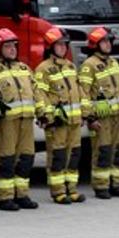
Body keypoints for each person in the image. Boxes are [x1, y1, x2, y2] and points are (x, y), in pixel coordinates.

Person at [0, 29, 41, 211]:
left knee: (26, 158)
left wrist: (43, 113)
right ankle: (4, 197)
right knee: (5, 159)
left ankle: (21, 194)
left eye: (14, 46)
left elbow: (36, 92)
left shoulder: (23, 68)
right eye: (7, 46)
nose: (12, 50)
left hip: (26, 121)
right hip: (5, 123)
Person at [33, 27, 87, 205]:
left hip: (74, 121)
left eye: (65, 45)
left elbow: (80, 91)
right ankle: (58, 191)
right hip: (58, 122)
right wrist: (48, 116)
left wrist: (85, 113)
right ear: (50, 47)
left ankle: (71, 189)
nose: (63, 48)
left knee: (74, 156)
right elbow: (40, 95)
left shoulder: (70, 66)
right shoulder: (43, 69)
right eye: (59, 45)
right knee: (58, 156)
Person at [77, 27, 119, 200]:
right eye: (104, 41)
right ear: (95, 44)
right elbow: (84, 93)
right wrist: (90, 117)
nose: (108, 45)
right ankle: (101, 186)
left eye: (109, 41)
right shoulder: (89, 65)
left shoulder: (114, 63)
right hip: (102, 119)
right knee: (103, 151)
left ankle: (116, 184)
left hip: (117, 116)